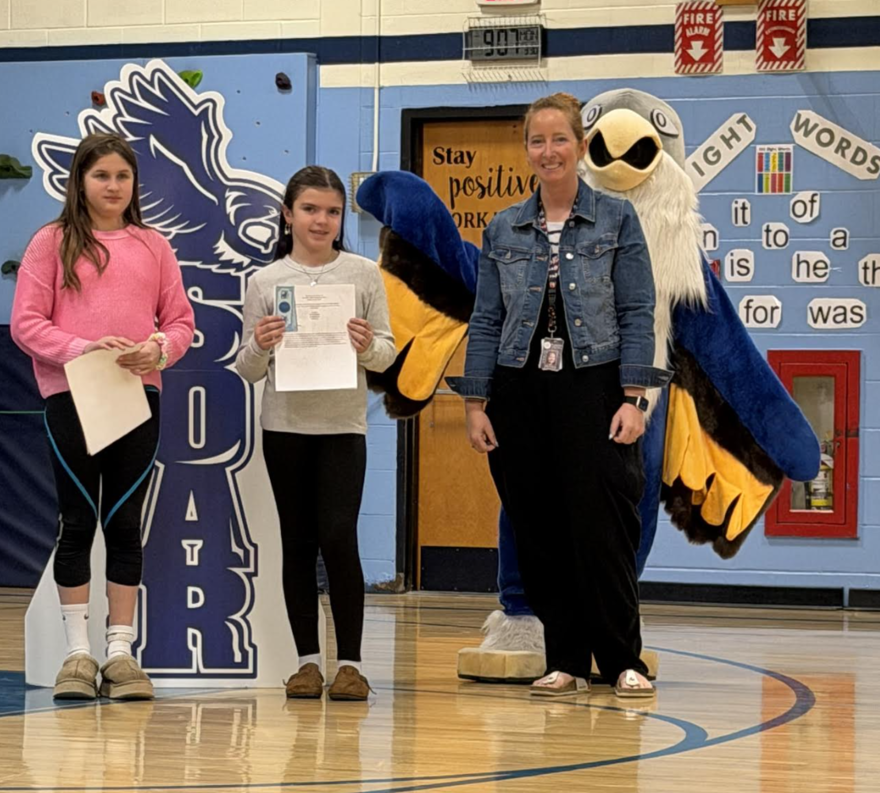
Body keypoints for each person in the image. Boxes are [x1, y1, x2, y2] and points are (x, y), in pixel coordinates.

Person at [447, 93, 670, 699]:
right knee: (539, 529)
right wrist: (476, 403)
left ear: (579, 146)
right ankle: (564, 659)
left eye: (559, 140)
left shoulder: (617, 218)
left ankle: (622, 657)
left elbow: (636, 309)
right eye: (537, 141)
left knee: (604, 525)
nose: (549, 151)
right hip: (520, 390)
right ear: (527, 151)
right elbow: (487, 320)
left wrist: (634, 397)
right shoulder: (502, 226)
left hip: (594, 386)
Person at [11, 133, 195, 700]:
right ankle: (77, 654)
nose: (113, 186)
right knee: (77, 520)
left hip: (137, 398)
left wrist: (157, 350)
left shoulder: (153, 246)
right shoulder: (52, 243)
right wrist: (82, 349)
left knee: (123, 523)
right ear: (79, 182)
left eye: (122, 176)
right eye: (101, 176)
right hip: (72, 397)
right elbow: (26, 324)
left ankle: (120, 654)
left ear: (134, 184)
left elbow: (181, 322)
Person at [236, 166, 396, 701]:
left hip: (342, 428)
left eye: (331, 211)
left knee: (338, 537)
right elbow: (248, 368)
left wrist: (365, 344)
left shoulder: (362, 274)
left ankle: (349, 664)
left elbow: (387, 353)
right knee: (298, 544)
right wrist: (260, 343)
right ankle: (306, 663)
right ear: (287, 214)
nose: (321, 220)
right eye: (309, 209)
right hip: (284, 428)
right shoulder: (264, 282)